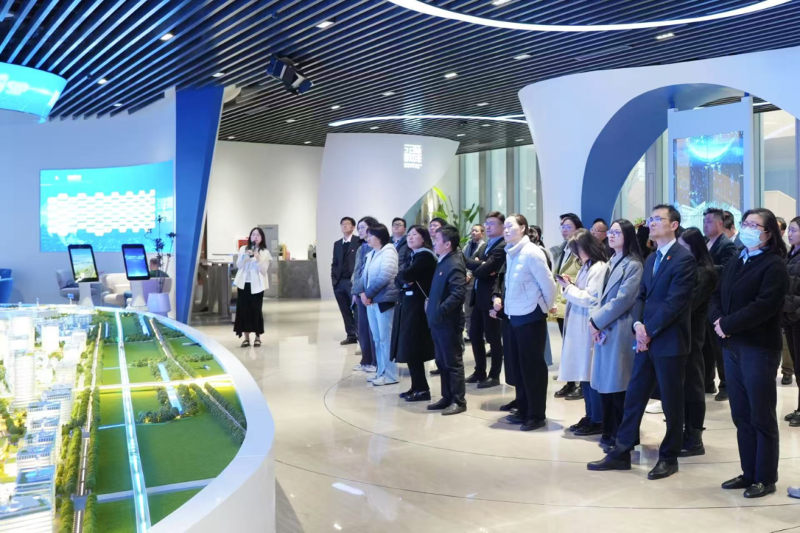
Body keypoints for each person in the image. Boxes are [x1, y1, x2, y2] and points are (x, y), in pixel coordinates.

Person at [588, 205, 696, 480]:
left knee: (671, 402)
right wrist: (638, 326)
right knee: (634, 397)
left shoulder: (684, 258)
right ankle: (621, 451)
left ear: (674, 225)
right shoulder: (651, 259)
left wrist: (649, 330)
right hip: (644, 339)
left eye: (658, 219)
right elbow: (641, 297)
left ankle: (669, 457)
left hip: (669, 341)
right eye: (651, 219)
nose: (652, 223)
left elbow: (675, 303)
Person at [709, 208, 788, 498]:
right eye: (746, 223)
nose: (748, 229)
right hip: (732, 346)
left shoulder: (774, 265)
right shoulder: (738, 258)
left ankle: (765, 477)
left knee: (761, 415)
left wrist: (727, 325)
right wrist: (718, 321)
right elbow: (716, 294)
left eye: (755, 225)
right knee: (741, 413)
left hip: (758, 347)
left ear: (768, 233)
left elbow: (764, 305)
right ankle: (749, 472)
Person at [588, 219, 643, 451]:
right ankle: (608, 431)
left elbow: (623, 299)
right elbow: (597, 297)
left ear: (628, 236)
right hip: (603, 328)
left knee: (619, 385)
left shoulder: (634, 265)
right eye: (610, 232)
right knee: (605, 385)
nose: (611, 235)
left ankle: (623, 437)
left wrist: (596, 321)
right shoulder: (609, 262)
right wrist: (594, 323)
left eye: (617, 232)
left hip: (619, 328)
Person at [500, 214, 557, 431]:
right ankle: (523, 409)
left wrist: (543, 307)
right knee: (518, 366)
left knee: (533, 367)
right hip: (513, 315)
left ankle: (536, 414)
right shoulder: (511, 253)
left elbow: (549, 285)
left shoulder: (532, 252)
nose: (506, 230)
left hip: (531, 315)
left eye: (510, 226)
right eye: (504, 227)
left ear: (523, 228)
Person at [557, 229, 607, 435]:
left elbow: (590, 298)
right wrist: (569, 285)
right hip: (579, 324)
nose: (576, 254)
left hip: (588, 325)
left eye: (578, 249)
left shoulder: (599, 267)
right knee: (583, 374)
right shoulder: (587, 266)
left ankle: (598, 419)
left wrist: (569, 289)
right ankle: (590, 415)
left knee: (589, 373)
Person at [677, 227, 717, 457]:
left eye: (683, 247)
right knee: (682, 386)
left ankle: (694, 438)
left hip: (691, 335)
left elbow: (688, 305)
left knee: (693, 385)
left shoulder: (703, 273)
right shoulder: (688, 269)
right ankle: (685, 430)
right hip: (680, 334)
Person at [390, 225, 437, 402]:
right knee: (410, 348)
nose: (410, 237)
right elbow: (399, 278)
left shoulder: (425, 256)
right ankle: (416, 387)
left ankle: (422, 389)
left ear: (423, 238)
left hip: (418, 309)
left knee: (414, 348)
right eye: (408, 235)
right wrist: (402, 278)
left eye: (414, 235)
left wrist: (403, 278)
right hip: (409, 306)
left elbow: (406, 276)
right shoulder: (413, 255)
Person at [426, 225, 468, 415]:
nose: (434, 242)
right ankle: (447, 397)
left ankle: (458, 401)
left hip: (448, 322)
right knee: (442, 361)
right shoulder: (444, 260)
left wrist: (439, 310)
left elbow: (458, 294)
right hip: (438, 321)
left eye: (437, 240)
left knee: (452, 362)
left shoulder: (454, 263)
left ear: (448, 244)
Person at [465, 213, 506, 388]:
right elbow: (471, 264)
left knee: (493, 338)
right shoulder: (486, 245)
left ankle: (494, 375)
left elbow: (486, 269)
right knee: (475, 335)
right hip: (478, 297)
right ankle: (479, 371)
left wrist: (481, 265)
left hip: (491, 297)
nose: (488, 227)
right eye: (486, 223)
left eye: (492, 224)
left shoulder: (502, 246)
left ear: (502, 226)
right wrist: (481, 264)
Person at [702, 208, 738, 401]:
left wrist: (702, 267)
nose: (705, 225)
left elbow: (727, 269)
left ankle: (726, 385)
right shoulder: (705, 243)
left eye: (709, 221)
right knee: (704, 345)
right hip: (702, 300)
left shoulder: (727, 245)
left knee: (718, 346)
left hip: (717, 301)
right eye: (704, 221)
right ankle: (707, 382)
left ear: (720, 223)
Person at [361, 223, 400, 386]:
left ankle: (391, 375)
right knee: (377, 338)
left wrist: (368, 293)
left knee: (386, 338)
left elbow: (384, 276)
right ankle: (381, 372)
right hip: (372, 301)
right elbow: (364, 276)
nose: (367, 238)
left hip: (384, 300)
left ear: (380, 237)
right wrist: (363, 293)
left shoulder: (389, 252)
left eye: (371, 235)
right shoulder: (372, 253)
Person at [551, 213, 583, 399]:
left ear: (578, 229)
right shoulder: (562, 249)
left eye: (568, 226)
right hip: (562, 303)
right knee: (567, 347)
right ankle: (570, 383)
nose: (564, 230)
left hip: (576, 302)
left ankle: (581, 384)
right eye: (562, 226)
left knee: (577, 346)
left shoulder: (581, 250)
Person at [234, 227, 274, 347]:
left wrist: (257, 258)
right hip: (243, 284)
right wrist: (245, 257)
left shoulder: (265, 252)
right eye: (253, 234)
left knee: (256, 310)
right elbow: (239, 265)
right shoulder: (243, 249)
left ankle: (257, 337)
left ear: (262, 238)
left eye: (258, 235)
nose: (255, 237)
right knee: (243, 310)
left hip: (257, 286)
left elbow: (263, 270)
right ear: (250, 237)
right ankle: (246, 338)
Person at [351, 216, 379, 372]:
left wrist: (363, 291)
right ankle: (366, 360)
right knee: (362, 328)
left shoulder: (378, 248)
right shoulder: (361, 248)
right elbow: (357, 272)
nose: (359, 230)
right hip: (360, 292)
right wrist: (355, 291)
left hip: (370, 292)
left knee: (372, 329)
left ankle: (375, 361)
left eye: (362, 227)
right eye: (359, 228)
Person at [332, 217, 359, 345]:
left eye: (347, 224)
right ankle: (351, 335)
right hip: (339, 282)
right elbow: (335, 263)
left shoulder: (358, 241)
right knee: (345, 310)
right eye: (342, 224)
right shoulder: (337, 244)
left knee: (357, 310)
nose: (344, 226)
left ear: (353, 227)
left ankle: (360, 334)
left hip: (353, 281)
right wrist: (334, 280)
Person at [784, 217, 800, 424]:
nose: (790, 233)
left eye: (794, 230)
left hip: (796, 315)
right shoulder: (790, 254)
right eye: (790, 230)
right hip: (789, 317)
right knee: (797, 365)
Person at [428, 217, 448, 378]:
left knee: (450, 356)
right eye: (431, 225)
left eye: (436, 226)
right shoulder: (432, 248)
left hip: (444, 309)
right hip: (433, 303)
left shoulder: (451, 256)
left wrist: (439, 308)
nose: (432, 228)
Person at [777, 216, 794, 386]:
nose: (790, 234)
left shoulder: (788, 251)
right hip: (779, 305)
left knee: (788, 344)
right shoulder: (790, 254)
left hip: (791, 309)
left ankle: (787, 370)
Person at [463, 224, 487, 343]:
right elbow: (464, 261)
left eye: (476, 231)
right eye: (472, 230)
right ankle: (469, 332)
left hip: (475, 282)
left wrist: (469, 274)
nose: (473, 233)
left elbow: (480, 263)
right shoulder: (467, 246)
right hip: (466, 283)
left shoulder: (484, 246)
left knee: (477, 310)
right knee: (467, 309)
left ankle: (481, 334)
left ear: (482, 234)